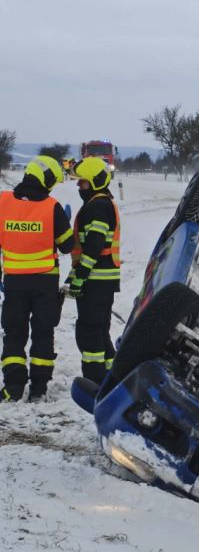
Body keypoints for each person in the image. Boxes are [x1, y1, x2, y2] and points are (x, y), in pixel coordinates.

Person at [0, 156, 73, 402]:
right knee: (43, 332)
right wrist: (64, 223)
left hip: (14, 282)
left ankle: (13, 388)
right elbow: (67, 246)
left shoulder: (3, 202)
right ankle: (38, 388)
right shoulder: (52, 207)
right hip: (45, 282)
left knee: (14, 332)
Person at [67, 157, 121, 385]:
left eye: (83, 182)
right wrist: (75, 275)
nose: (79, 186)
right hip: (102, 280)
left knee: (89, 332)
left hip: (96, 280)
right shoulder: (101, 203)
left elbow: (94, 245)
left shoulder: (97, 207)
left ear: (95, 181)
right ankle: (112, 376)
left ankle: (94, 381)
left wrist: (80, 277)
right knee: (99, 330)